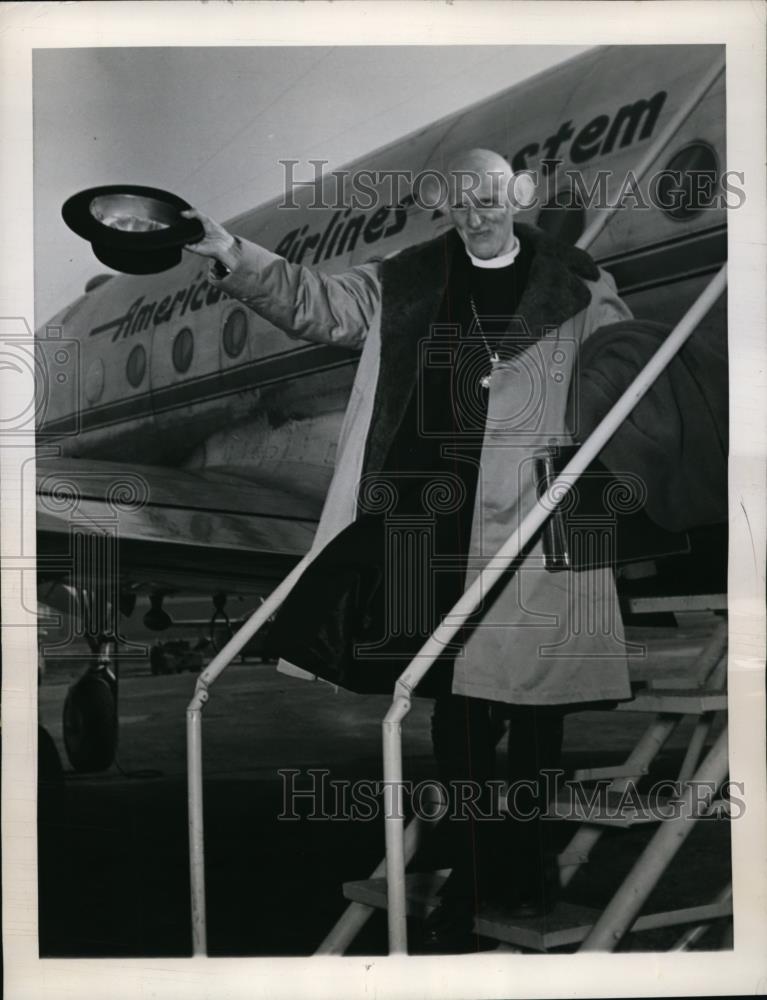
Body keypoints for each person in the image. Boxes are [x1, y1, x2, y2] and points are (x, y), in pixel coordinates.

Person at [183, 148, 635, 951]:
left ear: (516, 195)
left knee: (537, 714)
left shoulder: (579, 282)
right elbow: (316, 302)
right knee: (457, 714)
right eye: (458, 202)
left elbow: (622, 371)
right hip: (436, 513)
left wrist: (547, 401)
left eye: (488, 198)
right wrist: (230, 253)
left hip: (540, 513)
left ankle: (524, 873)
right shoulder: (407, 276)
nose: (474, 213)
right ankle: (465, 878)